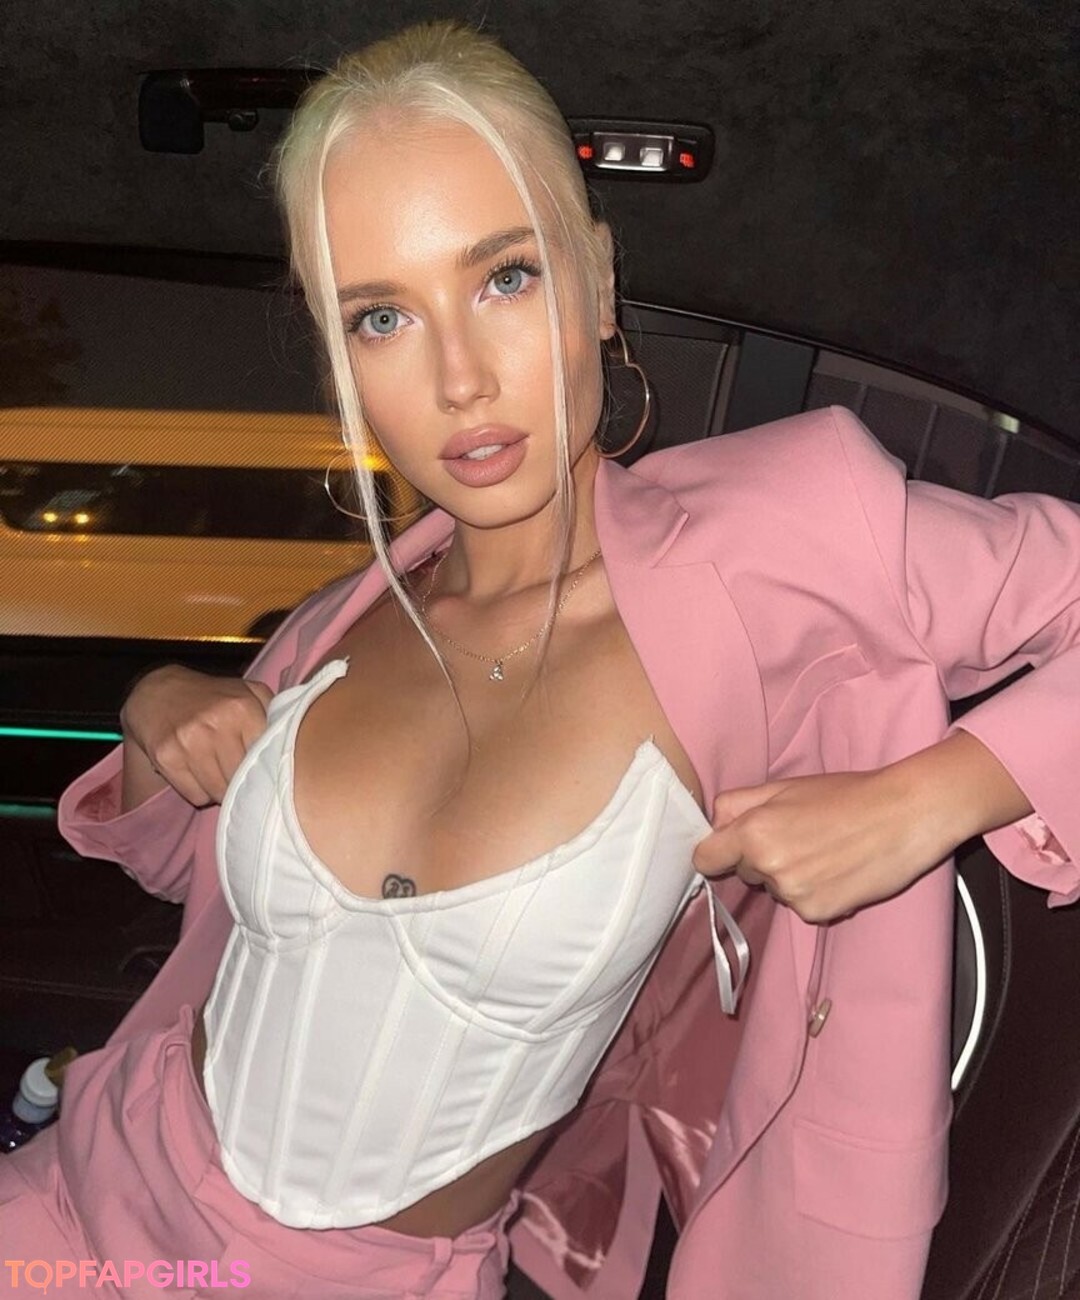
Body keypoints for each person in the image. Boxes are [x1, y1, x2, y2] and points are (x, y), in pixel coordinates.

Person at [2, 18, 1079, 1300]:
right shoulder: (342, 625)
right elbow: (190, 867)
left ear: (600, 283)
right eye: (382, 316)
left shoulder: (781, 543)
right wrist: (154, 705)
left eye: (504, 278)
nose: (459, 379)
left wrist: (925, 800)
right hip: (74, 1200)